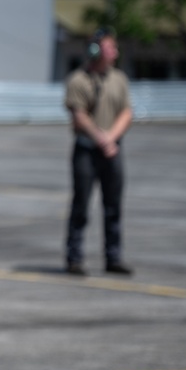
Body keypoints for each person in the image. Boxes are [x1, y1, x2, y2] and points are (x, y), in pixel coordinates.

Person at [63, 28, 133, 277]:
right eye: (109, 47)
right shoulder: (78, 81)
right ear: (95, 50)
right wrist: (100, 138)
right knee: (81, 205)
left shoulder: (119, 80)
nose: (114, 51)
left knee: (113, 206)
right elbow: (78, 116)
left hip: (112, 150)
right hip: (86, 150)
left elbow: (126, 112)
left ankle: (113, 257)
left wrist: (110, 139)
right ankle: (74, 257)